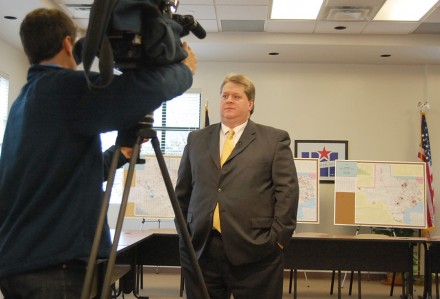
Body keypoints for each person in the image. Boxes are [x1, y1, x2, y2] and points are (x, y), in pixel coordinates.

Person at [0, 7, 197, 298]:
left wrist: (119, 153)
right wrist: (184, 71)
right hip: (53, 268)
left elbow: (60, 173)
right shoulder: (62, 90)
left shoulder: (27, 98)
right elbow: (138, 91)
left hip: (23, 261)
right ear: (67, 43)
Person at [175, 73, 299, 299]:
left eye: (236, 96)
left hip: (257, 250)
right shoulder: (197, 139)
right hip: (202, 249)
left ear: (250, 104)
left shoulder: (274, 140)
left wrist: (278, 240)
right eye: (224, 96)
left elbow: (287, 192)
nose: (228, 100)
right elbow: (182, 193)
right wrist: (185, 237)